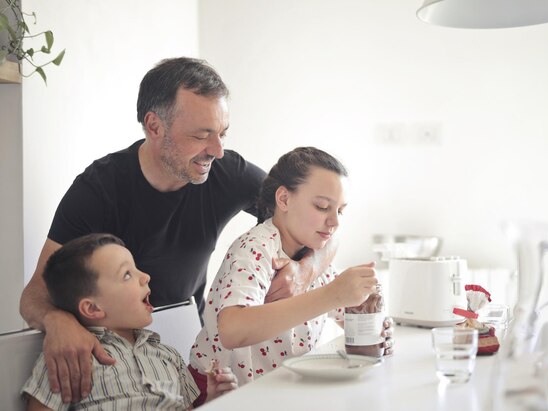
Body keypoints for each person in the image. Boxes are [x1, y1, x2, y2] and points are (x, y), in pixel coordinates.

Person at [19, 57, 334, 404]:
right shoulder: (98, 189)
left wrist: (306, 270)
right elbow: (35, 294)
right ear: (154, 126)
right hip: (115, 353)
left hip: (184, 354)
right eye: (201, 135)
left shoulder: (226, 171)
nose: (217, 150)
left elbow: (325, 224)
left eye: (222, 133)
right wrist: (55, 321)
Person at [188, 147, 393, 402]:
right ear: (283, 199)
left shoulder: (312, 258)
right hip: (220, 396)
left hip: (280, 393)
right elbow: (232, 329)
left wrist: (377, 329)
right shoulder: (254, 250)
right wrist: (332, 295)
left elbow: (350, 313)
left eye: (340, 211)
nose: (335, 222)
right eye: (321, 207)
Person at [21, 233, 238, 410]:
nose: (145, 276)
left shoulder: (168, 356)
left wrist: (213, 399)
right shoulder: (69, 357)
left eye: (136, 268)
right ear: (93, 308)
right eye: (127, 275)